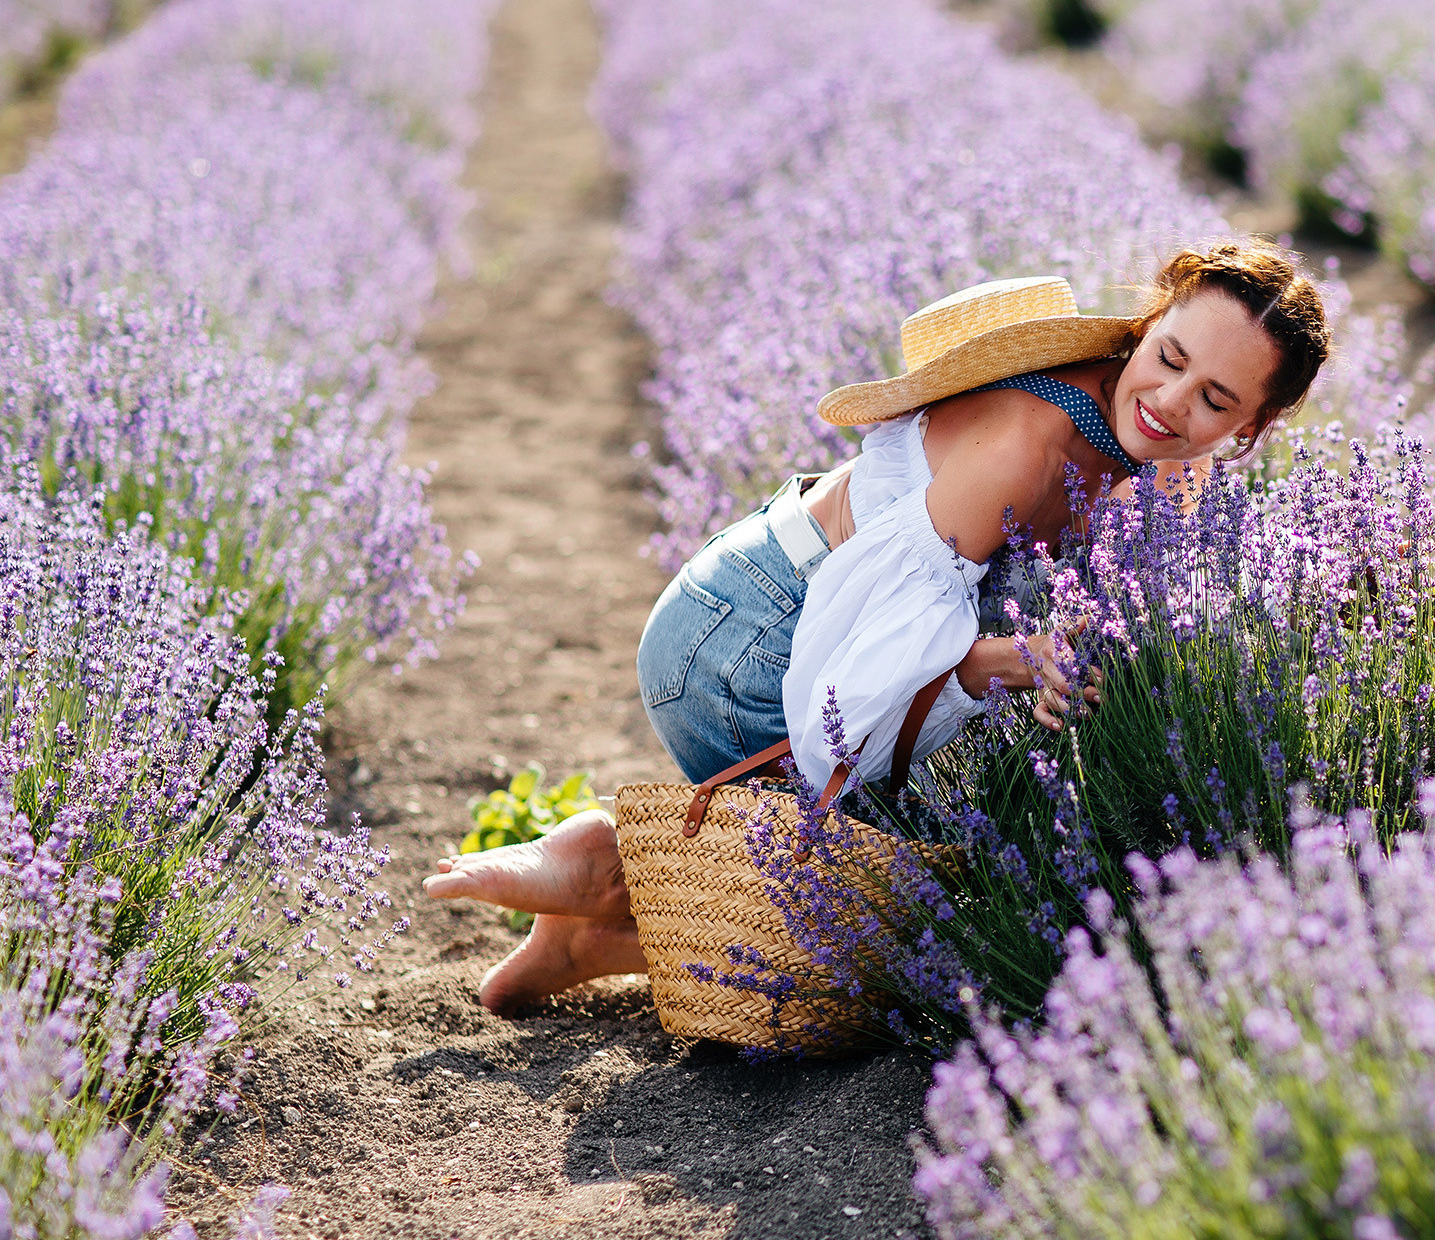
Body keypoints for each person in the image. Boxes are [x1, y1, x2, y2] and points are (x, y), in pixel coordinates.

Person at [427, 239, 1331, 1014]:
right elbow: (863, 677)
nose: (1174, 404)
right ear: (1147, 322)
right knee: (939, 915)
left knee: (964, 893)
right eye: (1169, 357)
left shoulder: (1153, 449)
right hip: (745, 649)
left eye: (1216, 400)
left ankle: (598, 937)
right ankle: (609, 860)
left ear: (1252, 427)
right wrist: (1009, 662)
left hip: (787, 614)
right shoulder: (1029, 447)